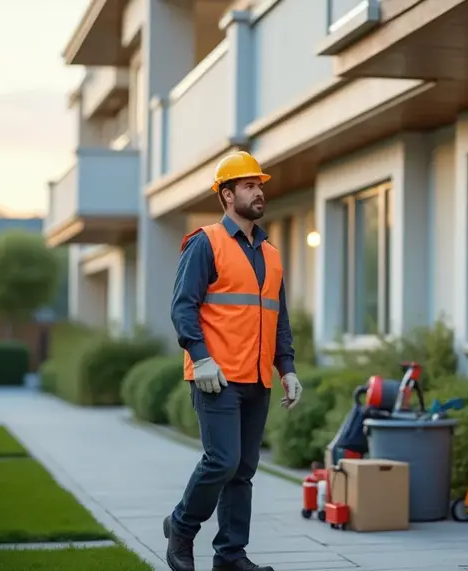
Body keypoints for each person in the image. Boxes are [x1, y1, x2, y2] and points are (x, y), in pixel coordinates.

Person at [163, 151, 303, 571]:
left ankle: (230, 556)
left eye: (259, 185)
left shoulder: (271, 253)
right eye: (248, 186)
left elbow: (279, 319)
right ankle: (182, 527)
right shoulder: (206, 242)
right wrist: (201, 358)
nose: (258, 192)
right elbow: (183, 307)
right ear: (227, 195)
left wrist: (288, 368)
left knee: (242, 469)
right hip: (216, 376)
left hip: (258, 377)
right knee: (221, 461)